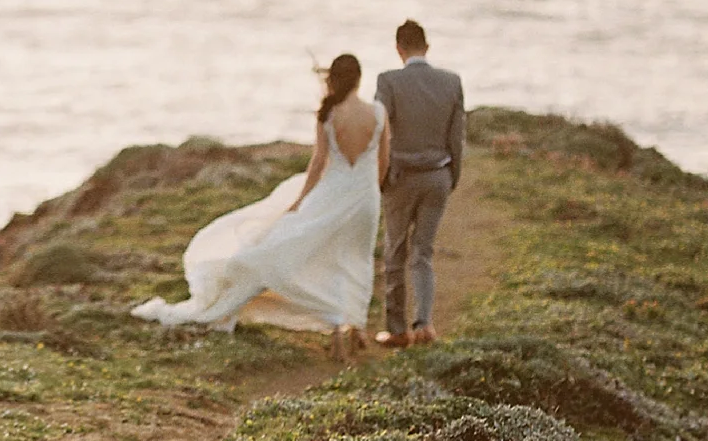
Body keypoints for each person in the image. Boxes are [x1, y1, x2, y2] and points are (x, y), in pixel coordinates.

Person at [130, 54, 383, 351]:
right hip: (365, 198)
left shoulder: (328, 114)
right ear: (359, 79)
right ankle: (355, 326)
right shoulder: (378, 112)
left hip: (332, 194)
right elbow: (384, 160)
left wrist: (300, 202)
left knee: (322, 257)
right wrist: (371, 192)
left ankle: (340, 327)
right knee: (357, 259)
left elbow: (318, 164)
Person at [372, 19, 463, 347]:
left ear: (399, 48)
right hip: (438, 175)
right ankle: (424, 323)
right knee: (423, 252)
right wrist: (452, 176)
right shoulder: (451, 82)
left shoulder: (388, 81)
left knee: (395, 253)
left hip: (401, 178)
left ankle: (397, 330)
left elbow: (380, 132)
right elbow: (457, 137)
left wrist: (380, 177)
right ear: (427, 46)